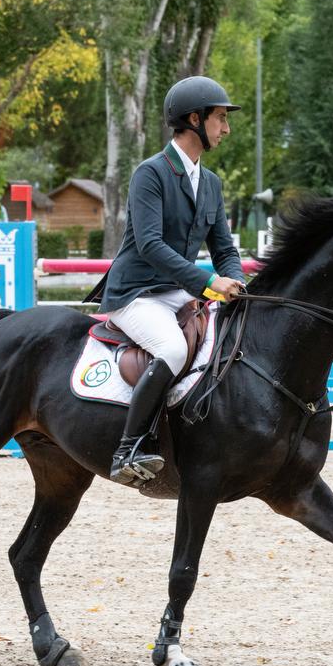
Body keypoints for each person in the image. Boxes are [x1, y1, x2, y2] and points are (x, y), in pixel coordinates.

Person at [86, 76, 246, 487]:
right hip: (136, 293)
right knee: (173, 348)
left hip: (177, 292)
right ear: (195, 119)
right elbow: (151, 245)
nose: (226, 129)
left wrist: (238, 284)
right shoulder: (151, 173)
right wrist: (210, 283)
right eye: (220, 118)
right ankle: (129, 447)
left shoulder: (210, 183)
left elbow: (225, 250)